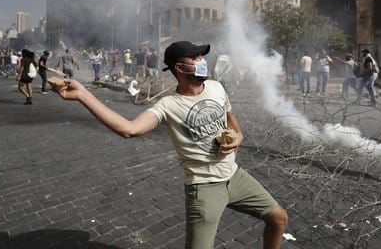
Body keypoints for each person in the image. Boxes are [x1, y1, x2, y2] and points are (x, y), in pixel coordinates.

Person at [52, 41, 288, 248]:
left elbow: (231, 119)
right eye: (195, 58)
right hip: (204, 189)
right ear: (180, 68)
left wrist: (239, 136)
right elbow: (129, 129)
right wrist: (84, 95)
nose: (202, 61)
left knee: (278, 218)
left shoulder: (216, 87)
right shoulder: (168, 105)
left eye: (202, 56)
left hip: (235, 176)